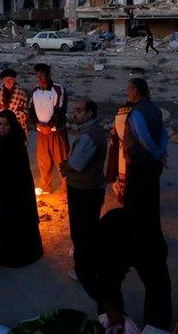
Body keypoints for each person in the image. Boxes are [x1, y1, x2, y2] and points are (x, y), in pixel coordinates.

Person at [76, 207, 172, 331]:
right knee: (108, 287)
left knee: (158, 287)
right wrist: (107, 305)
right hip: (113, 243)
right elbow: (84, 274)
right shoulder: (89, 248)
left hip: (145, 241)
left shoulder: (152, 243)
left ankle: (156, 327)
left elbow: (159, 283)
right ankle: (113, 321)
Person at [0, 110, 44, 268]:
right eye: (0, 124)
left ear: (12, 126)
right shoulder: (6, 142)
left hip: (13, 191)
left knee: (13, 221)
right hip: (7, 189)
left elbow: (7, 167)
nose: (2, 128)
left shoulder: (13, 142)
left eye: (6, 125)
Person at [60, 99, 107, 279]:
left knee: (81, 230)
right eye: (74, 110)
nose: (75, 114)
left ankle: (83, 269)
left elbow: (76, 164)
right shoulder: (94, 131)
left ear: (90, 113)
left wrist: (65, 166)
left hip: (84, 189)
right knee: (88, 227)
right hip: (91, 186)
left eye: (79, 111)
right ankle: (87, 258)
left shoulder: (88, 136)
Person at [122, 78, 168, 231]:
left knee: (134, 200)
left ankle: (135, 233)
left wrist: (157, 154)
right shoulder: (155, 109)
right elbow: (163, 133)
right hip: (153, 163)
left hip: (139, 163)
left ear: (135, 91)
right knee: (151, 199)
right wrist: (161, 153)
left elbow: (144, 139)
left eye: (128, 89)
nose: (127, 92)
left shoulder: (137, 112)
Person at [30, 63, 69, 195]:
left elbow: (60, 110)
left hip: (56, 132)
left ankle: (67, 189)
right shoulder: (35, 92)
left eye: (42, 74)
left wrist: (50, 126)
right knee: (44, 161)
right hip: (42, 133)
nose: (39, 78)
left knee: (62, 160)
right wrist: (38, 125)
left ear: (48, 75)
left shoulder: (58, 89)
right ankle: (46, 187)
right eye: (37, 75)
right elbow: (31, 111)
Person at [0, 68, 29, 138]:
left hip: (17, 124)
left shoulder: (21, 92)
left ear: (14, 80)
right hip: (2, 125)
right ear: (3, 80)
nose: (8, 82)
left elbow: (25, 110)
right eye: (6, 80)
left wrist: (11, 119)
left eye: (10, 80)